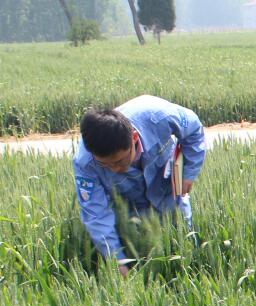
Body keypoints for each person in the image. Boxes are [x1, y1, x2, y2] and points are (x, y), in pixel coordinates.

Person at [73, 95, 206, 275]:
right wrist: (117, 259)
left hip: (166, 185)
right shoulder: (85, 162)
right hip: (127, 201)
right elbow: (96, 213)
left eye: (120, 161)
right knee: (136, 245)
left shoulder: (159, 115)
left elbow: (194, 130)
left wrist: (189, 173)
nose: (115, 169)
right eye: (105, 165)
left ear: (134, 138)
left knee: (182, 238)